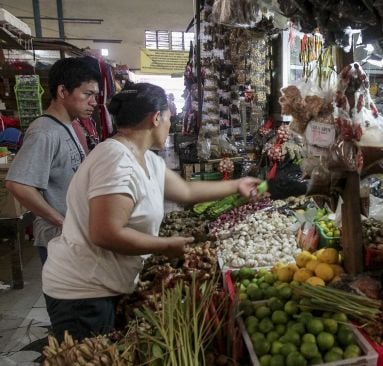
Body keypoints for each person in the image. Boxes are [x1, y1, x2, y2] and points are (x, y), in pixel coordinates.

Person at [41, 82, 262, 341]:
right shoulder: (116, 160)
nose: (170, 125)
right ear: (156, 118)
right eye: (169, 118)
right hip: (83, 294)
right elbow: (105, 233)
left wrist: (238, 185)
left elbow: (186, 192)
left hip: (104, 284)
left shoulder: (146, 159)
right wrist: (165, 246)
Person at [6, 57, 101, 264]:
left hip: (74, 237)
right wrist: (62, 221)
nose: (93, 102)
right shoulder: (45, 132)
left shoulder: (68, 125)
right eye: (87, 94)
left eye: (95, 95)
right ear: (62, 91)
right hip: (58, 240)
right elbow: (18, 184)